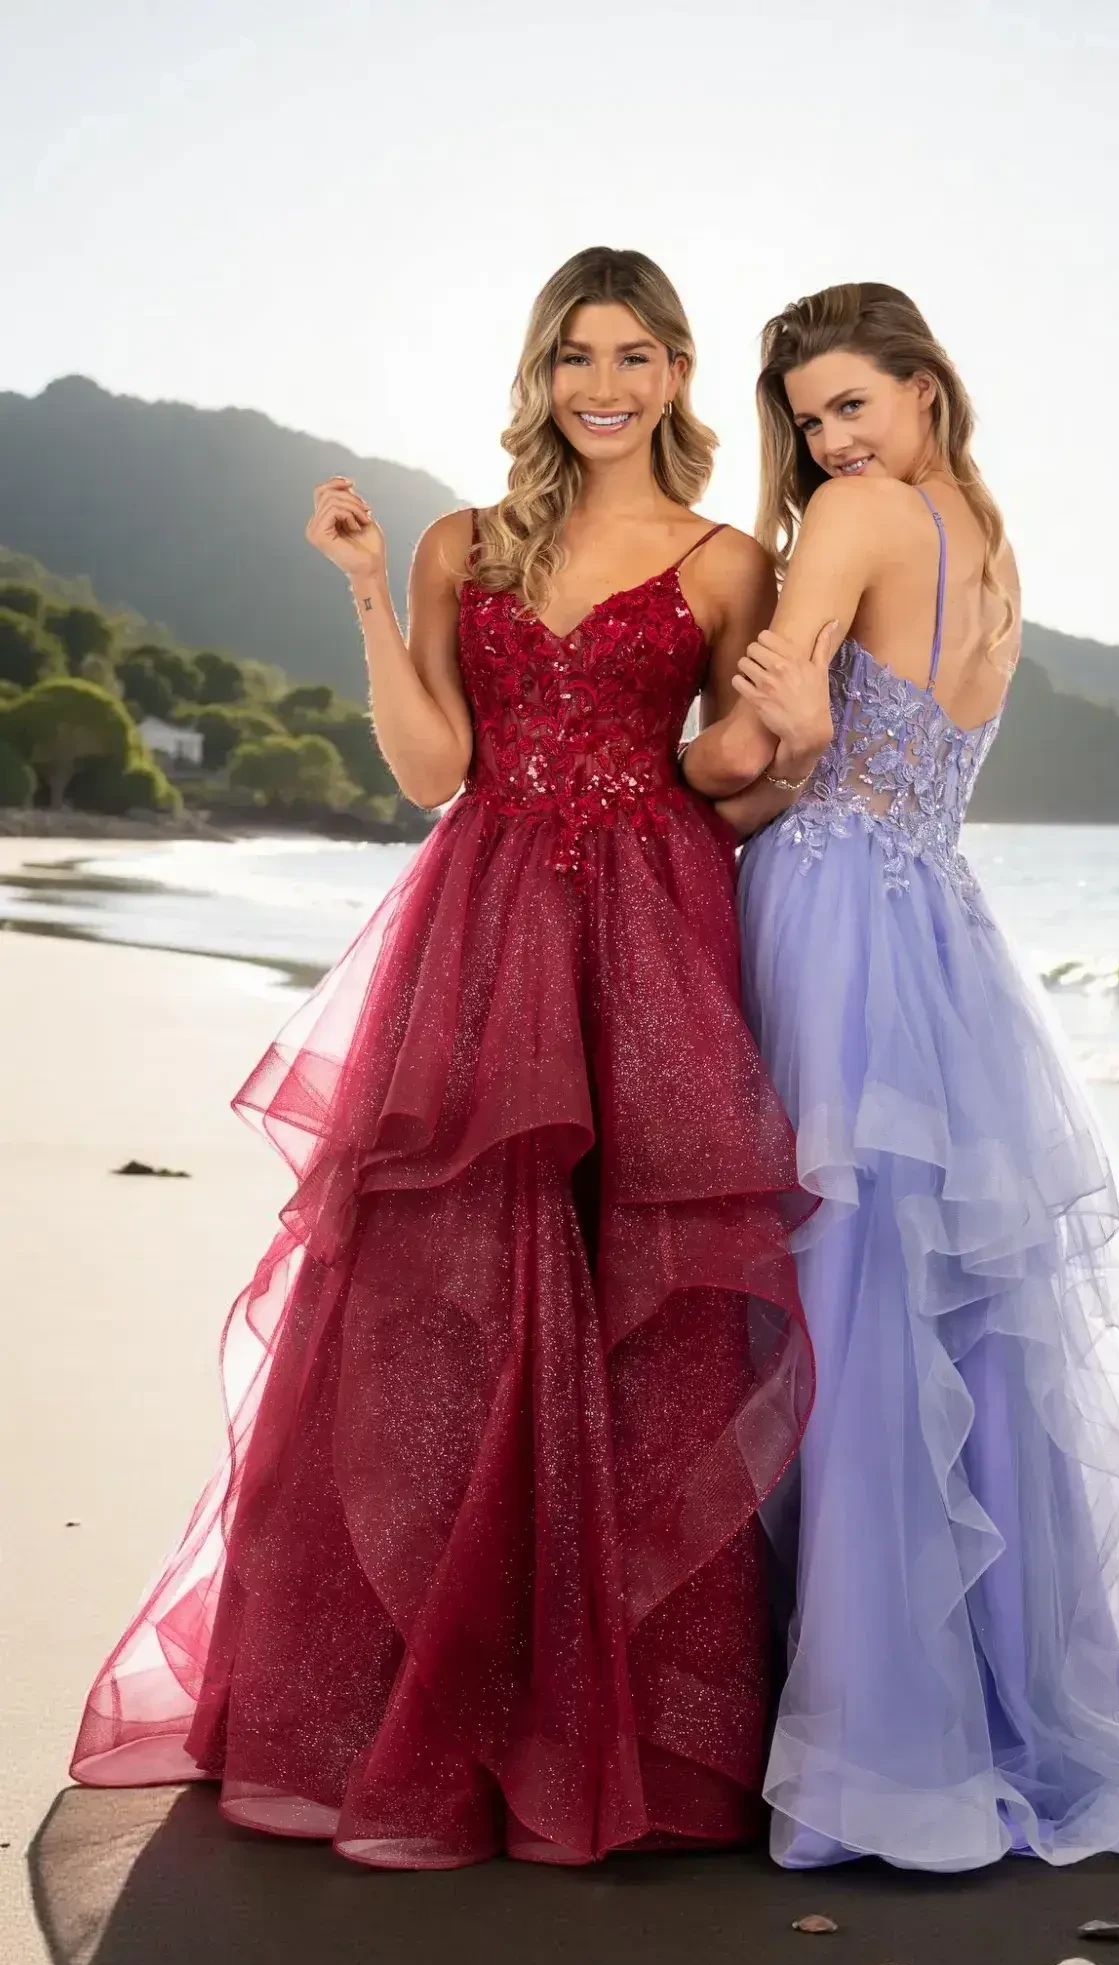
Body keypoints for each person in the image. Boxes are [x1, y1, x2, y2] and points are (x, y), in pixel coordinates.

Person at [70, 247, 814, 1870]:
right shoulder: (460, 542)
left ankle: (607, 1728)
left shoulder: (729, 559)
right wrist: (354, 583)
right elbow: (429, 770)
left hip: (648, 943)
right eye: (573, 356)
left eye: (633, 354)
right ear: (540, 374)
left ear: (678, 373)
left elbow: (725, 774)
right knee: (431, 1297)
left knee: (634, 1308)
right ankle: (392, 1712)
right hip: (479, 931)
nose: (602, 384)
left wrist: (785, 742)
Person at [718, 282, 1119, 1872]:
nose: (826, 443)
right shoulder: (993, 549)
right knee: (926, 1314)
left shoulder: (856, 516)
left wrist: (660, 783)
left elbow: (764, 745)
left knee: (828, 1306)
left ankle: (860, 1743)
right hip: (939, 927)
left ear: (922, 390)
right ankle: (955, 1716)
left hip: (824, 907)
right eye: (808, 419)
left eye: (848, 405)